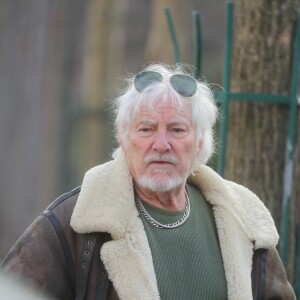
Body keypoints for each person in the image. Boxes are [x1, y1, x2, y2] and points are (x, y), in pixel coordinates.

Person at [1, 63, 295, 300]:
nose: (161, 144)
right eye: (146, 129)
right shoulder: (76, 221)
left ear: (200, 142)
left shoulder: (242, 221)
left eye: (177, 130)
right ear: (124, 137)